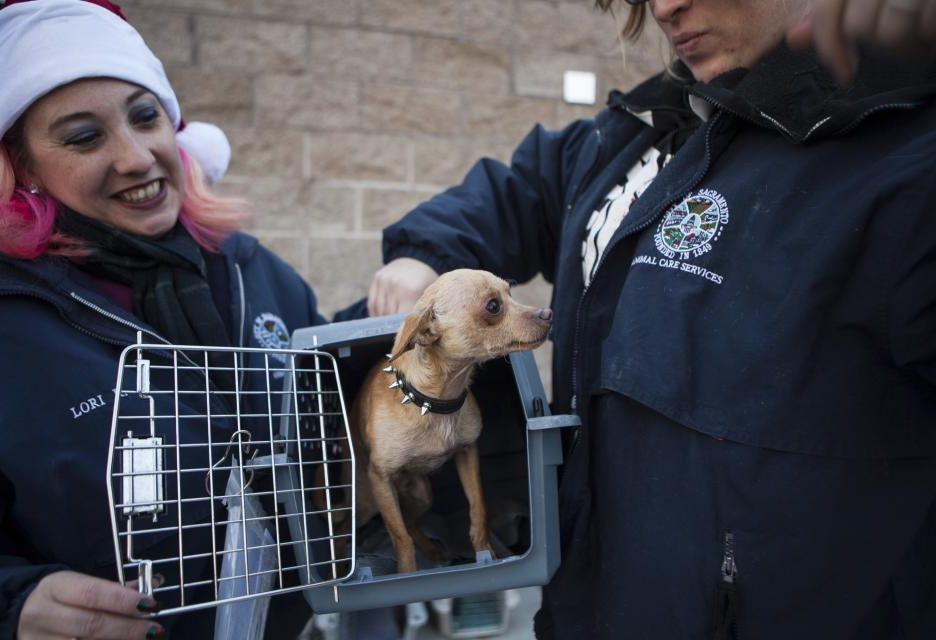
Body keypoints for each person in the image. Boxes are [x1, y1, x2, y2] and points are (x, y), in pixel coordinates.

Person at [367, 0, 936, 638]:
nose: (664, 8)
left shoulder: (906, 163)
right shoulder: (639, 130)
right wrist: (424, 259)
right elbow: (515, 192)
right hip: (590, 601)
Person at [0, 1, 327, 638]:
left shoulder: (256, 272)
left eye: (146, 117)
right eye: (84, 136)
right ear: (23, 168)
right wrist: (8, 603)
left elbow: (331, 427)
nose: (137, 157)